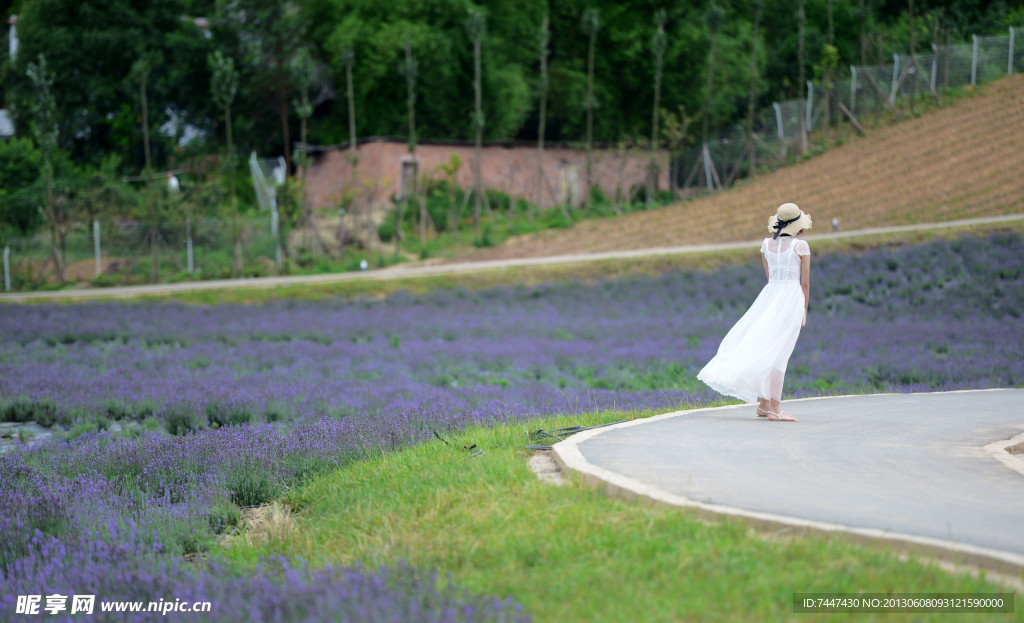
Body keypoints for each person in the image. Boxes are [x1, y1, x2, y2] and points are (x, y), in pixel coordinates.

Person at [697, 203, 812, 422]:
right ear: (798, 225)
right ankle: (775, 409)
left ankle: (764, 404)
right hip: (791, 300)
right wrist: (803, 310)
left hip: (770, 299)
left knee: (769, 347)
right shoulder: (801, 246)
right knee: (780, 354)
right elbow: (804, 284)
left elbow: (770, 278)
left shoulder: (766, 245)